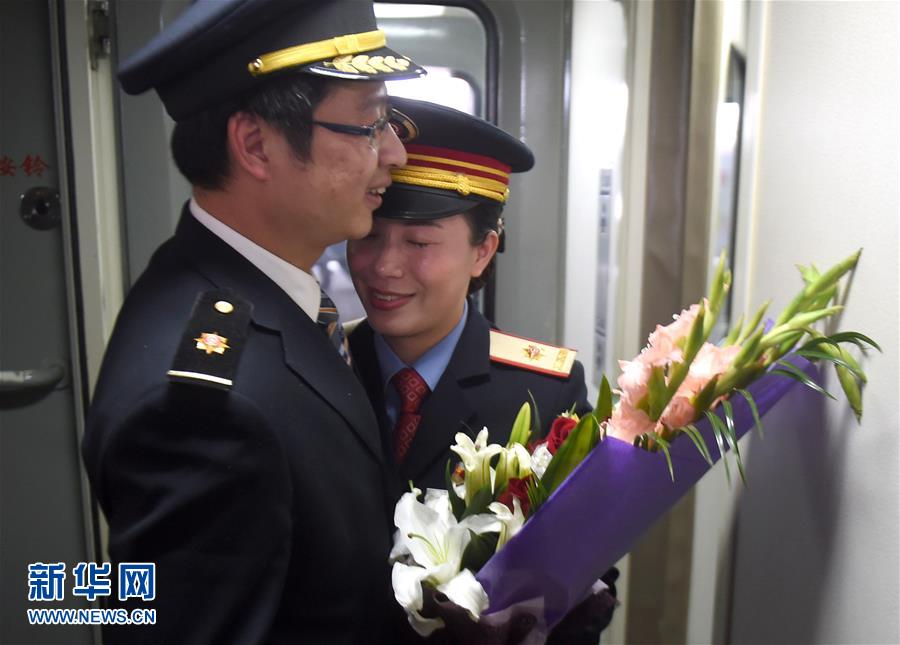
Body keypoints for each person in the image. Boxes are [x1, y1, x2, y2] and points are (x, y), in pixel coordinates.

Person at [81, 1, 424, 643]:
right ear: (256, 145)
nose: (396, 154)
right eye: (370, 125)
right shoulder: (206, 414)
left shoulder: (255, 295)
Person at [346, 98, 616, 644]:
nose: (385, 266)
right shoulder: (327, 366)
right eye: (370, 233)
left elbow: (590, 579)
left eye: (419, 242)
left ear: (482, 252)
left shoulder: (541, 391)